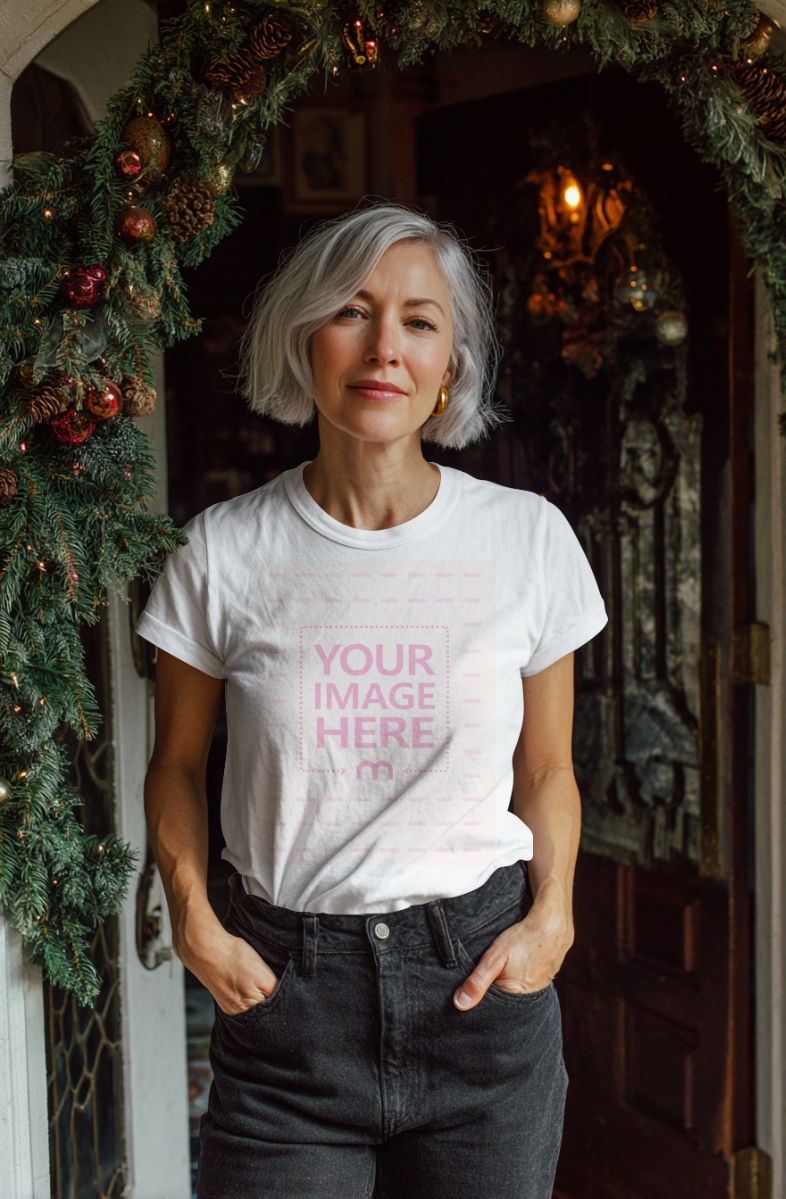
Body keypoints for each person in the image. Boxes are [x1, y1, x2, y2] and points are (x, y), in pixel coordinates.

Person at [137, 203, 608, 1199]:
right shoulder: (221, 551)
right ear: (304, 337)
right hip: (286, 1006)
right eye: (352, 310)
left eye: (418, 320)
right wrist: (193, 918)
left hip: (478, 992)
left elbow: (546, 768)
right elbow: (174, 762)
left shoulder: (527, 540)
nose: (384, 345)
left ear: (449, 366)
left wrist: (555, 912)